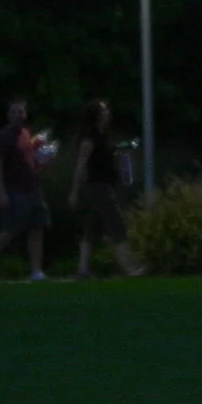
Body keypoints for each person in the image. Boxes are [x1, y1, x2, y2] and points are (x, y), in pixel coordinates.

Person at [0, 98, 49, 281]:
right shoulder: (3, 137)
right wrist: (2, 192)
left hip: (33, 187)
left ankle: (36, 271)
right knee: (9, 230)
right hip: (14, 189)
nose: (18, 115)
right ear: (8, 115)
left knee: (37, 228)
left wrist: (42, 161)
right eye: (15, 112)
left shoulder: (26, 133)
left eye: (21, 112)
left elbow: (30, 160)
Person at [70, 99, 146, 279]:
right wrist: (74, 191)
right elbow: (81, 165)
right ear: (95, 115)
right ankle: (130, 268)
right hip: (97, 188)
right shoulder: (90, 137)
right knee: (116, 224)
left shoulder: (102, 136)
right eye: (103, 111)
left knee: (93, 228)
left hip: (104, 185)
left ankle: (82, 269)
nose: (107, 113)